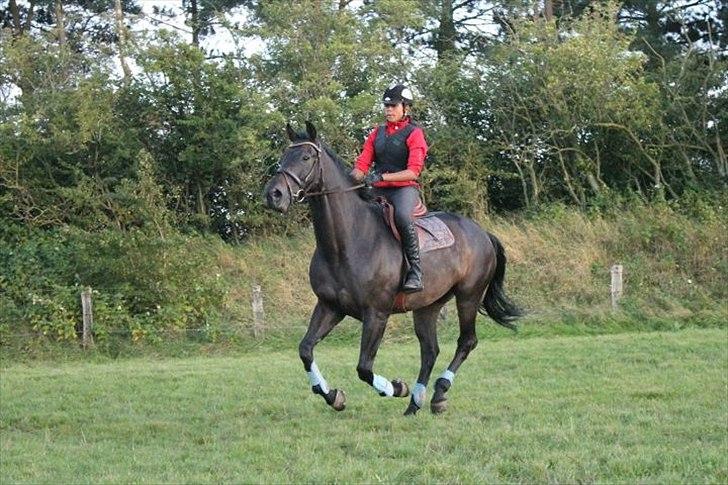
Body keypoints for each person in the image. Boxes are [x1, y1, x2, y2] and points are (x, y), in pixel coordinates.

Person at [350, 84, 428, 293]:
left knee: (402, 217)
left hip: (404, 190)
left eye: (393, 106)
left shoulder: (415, 134)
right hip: (377, 189)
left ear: (405, 108)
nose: (388, 110)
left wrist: (382, 176)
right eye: (386, 106)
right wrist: (348, 181)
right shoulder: (377, 133)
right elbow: (362, 165)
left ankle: (415, 271)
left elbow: (413, 172)